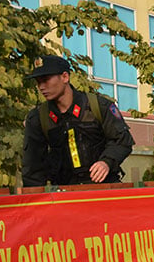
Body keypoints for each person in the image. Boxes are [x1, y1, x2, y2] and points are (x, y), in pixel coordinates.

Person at [22, 55, 134, 186]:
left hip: (103, 189)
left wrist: (107, 162)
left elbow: (122, 141)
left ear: (65, 77)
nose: (41, 87)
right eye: (38, 82)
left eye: (46, 80)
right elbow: (33, 167)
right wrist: (36, 201)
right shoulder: (38, 118)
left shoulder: (98, 106)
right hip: (64, 193)